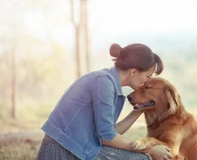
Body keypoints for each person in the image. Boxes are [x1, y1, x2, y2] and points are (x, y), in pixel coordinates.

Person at [36, 43, 173, 160]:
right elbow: (107, 138)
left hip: (79, 148)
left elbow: (109, 132)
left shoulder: (110, 84)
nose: (147, 82)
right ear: (134, 72)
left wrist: (138, 111)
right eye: (148, 76)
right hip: (62, 152)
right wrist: (148, 149)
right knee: (140, 159)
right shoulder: (104, 82)